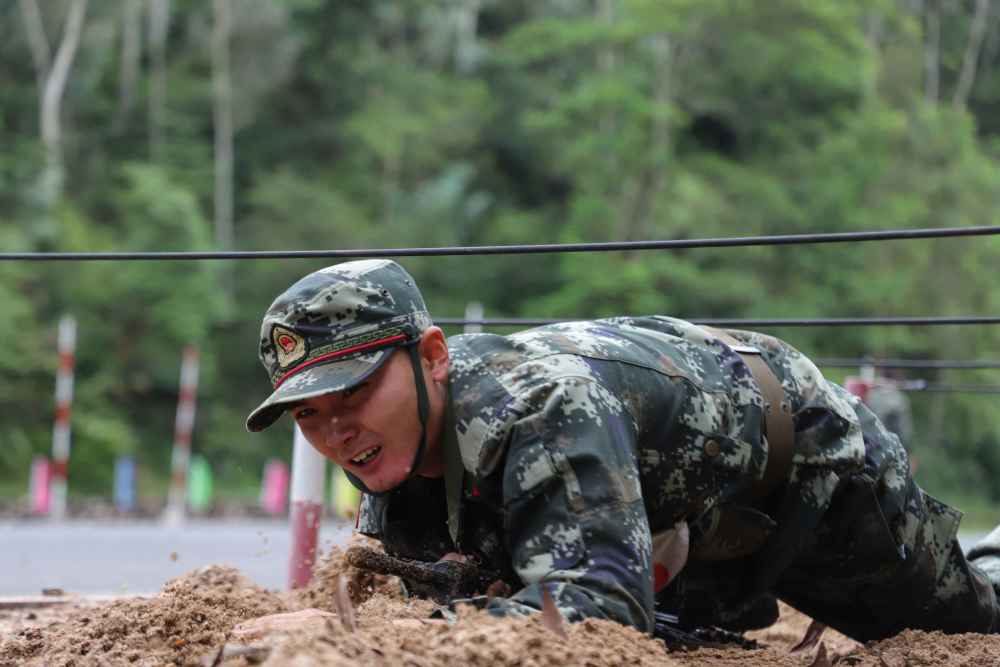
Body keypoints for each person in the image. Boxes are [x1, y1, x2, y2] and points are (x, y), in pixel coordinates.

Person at [246, 258, 1000, 642]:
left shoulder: (539, 407)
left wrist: (366, 634)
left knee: (964, 625)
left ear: (433, 356)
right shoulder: (391, 446)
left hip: (799, 459)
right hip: (680, 507)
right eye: (309, 413)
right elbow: (449, 592)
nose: (336, 431)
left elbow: (600, 610)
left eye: (354, 394)